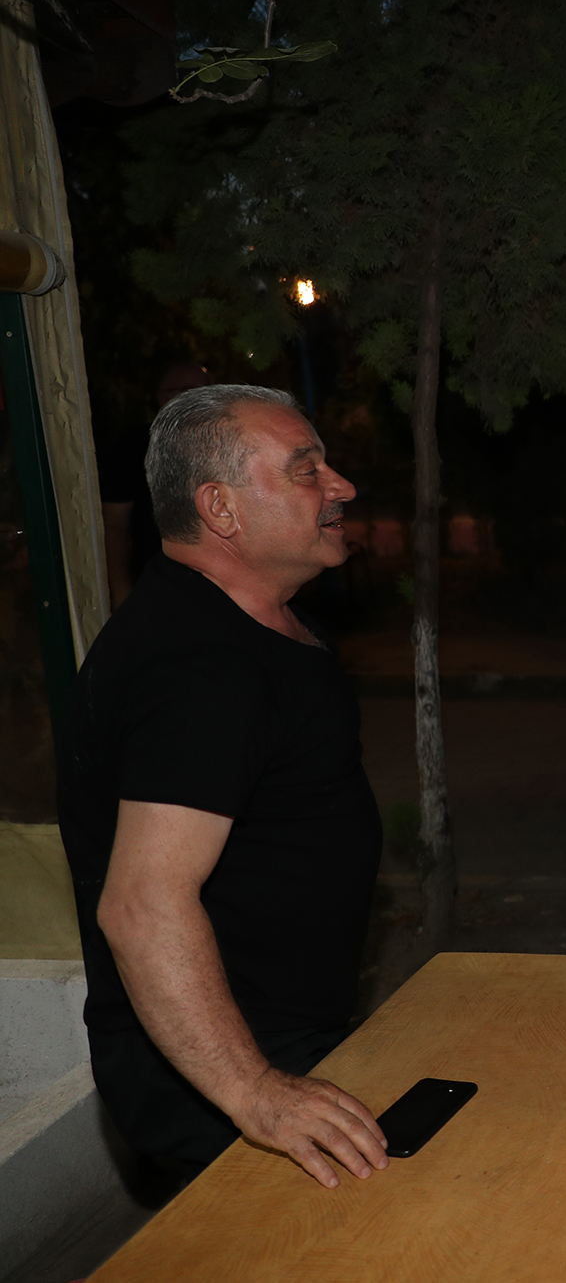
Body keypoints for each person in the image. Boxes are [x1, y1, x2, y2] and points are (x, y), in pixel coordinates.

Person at [58, 384, 388, 1189]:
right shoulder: (197, 666)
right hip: (222, 1084)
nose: (339, 486)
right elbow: (142, 904)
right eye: (307, 470)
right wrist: (258, 1094)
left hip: (288, 1042)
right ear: (223, 509)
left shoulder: (254, 627)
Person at [98, 361, 211, 607]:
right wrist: (121, 593)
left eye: (205, 391)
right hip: (163, 592)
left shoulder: (229, 447)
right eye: (186, 391)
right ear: (162, 397)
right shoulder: (131, 450)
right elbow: (114, 526)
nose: (198, 400)